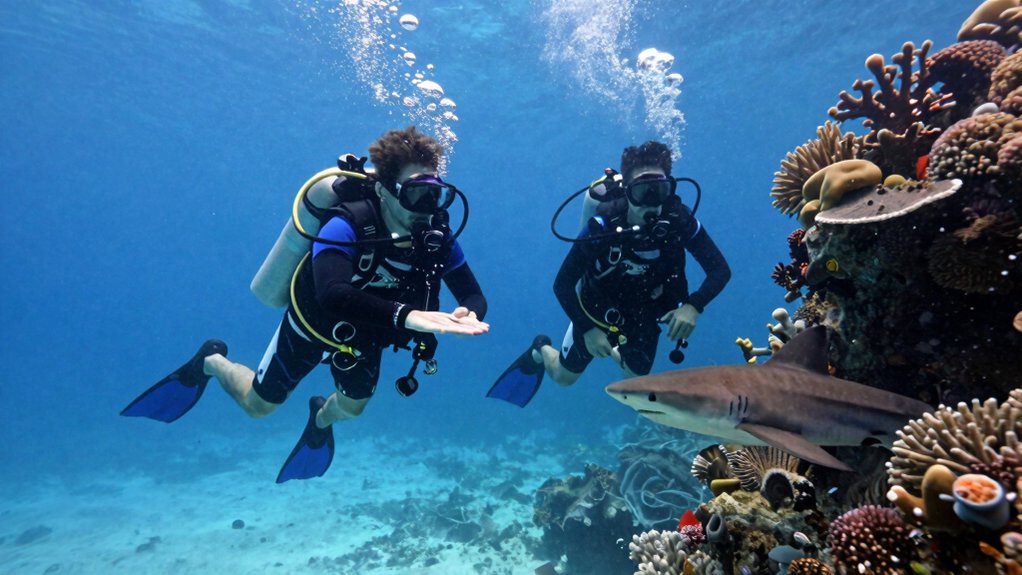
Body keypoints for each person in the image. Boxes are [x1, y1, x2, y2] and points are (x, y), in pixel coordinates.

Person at [122, 126, 489, 482]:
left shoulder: (436, 239)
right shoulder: (347, 224)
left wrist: (468, 313)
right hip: (312, 323)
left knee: (351, 409)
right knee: (259, 407)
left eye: (435, 195)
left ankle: (320, 418)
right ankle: (211, 361)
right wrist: (408, 317)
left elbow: (473, 294)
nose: (426, 209)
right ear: (384, 190)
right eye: (414, 194)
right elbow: (333, 293)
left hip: (365, 338)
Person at [488, 140, 729, 406]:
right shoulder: (603, 225)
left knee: (635, 379)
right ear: (626, 191)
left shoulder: (679, 220)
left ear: (669, 189)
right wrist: (588, 329)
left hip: (645, 312)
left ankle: (619, 346)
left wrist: (693, 307)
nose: (651, 203)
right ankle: (540, 348)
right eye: (641, 192)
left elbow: (720, 269)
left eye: (658, 190)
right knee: (564, 378)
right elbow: (563, 284)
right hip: (596, 309)